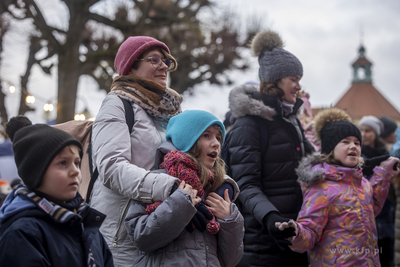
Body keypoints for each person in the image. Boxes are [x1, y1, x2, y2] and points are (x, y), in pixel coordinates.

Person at [89, 36, 186, 266]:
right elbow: (111, 168)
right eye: (154, 60)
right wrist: (169, 187)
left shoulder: (172, 112)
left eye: (166, 61)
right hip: (121, 237)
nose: (163, 66)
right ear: (131, 66)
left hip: (160, 227)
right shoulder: (116, 104)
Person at [226, 30, 314, 266]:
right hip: (261, 243)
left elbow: (314, 161)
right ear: (275, 80)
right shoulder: (248, 124)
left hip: (294, 236)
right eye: (293, 79)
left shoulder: (291, 120)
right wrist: (270, 217)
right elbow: (245, 184)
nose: (298, 86)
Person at [275, 108, 400, 266]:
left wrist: (384, 174)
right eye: (345, 142)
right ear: (330, 149)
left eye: (357, 143)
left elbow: (371, 207)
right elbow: (310, 230)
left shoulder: (362, 183)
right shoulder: (322, 188)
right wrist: (295, 233)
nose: (353, 146)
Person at [124, 110, 244, 267]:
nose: (216, 143)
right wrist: (180, 204)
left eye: (218, 137)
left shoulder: (218, 189)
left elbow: (231, 260)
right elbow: (142, 238)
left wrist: (229, 219)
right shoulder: (157, 181)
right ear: (187, 139)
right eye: (206, 135)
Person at [0, 116, 113, 266]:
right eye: (62, 163)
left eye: (77, 162)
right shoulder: (22, 234)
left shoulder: (85, 222)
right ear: (36, 171)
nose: (75, 171)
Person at [359, 115, 396, 267]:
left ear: (376, 133)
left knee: (387, 258)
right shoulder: (356, 156)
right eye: (361, 130)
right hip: (365, 217)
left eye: (368, 130)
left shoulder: (386, 155)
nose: (364, 134)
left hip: (386, 216)